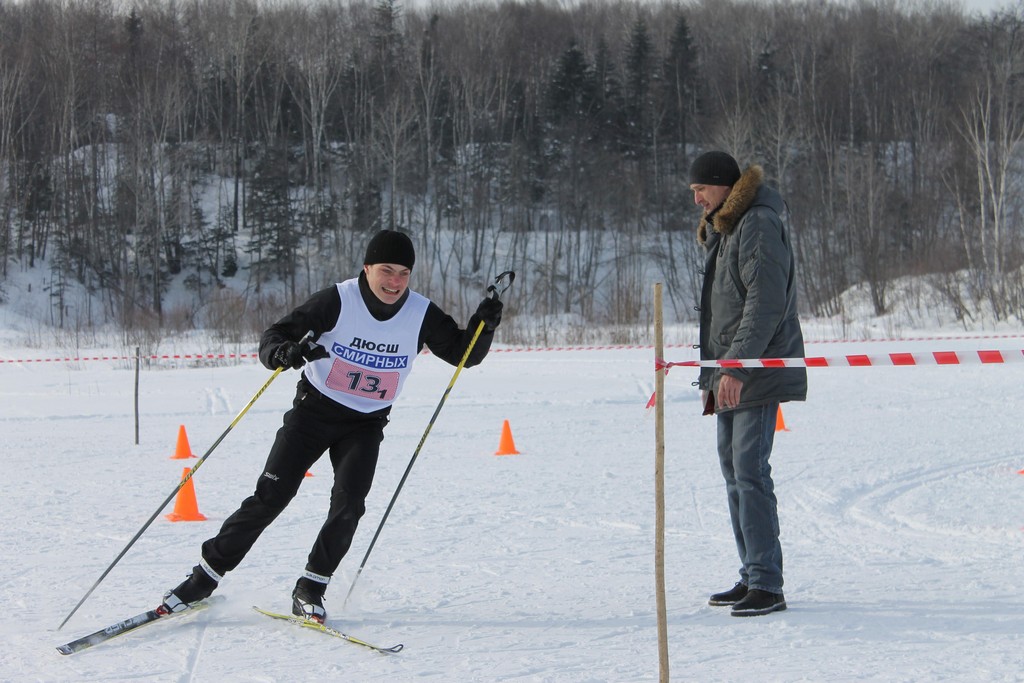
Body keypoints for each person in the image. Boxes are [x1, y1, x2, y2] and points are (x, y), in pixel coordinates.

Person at [161, 229, 504, 623]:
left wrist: (485, 324)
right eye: (386, 271)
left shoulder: (420, 313)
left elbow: (464, 355)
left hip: (366, 423)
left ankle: (311, 587)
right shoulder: (338, 300)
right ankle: (203, 579)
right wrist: (284, 353)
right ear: (367, 268)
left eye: (403, 274)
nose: (394, 283)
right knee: (271, 495)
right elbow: (274, 337)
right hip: (314, 412)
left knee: (349, 506)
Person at [689, 151, 807, 617]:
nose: (696, 198)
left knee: (750, 471)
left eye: (700, 189)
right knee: (733, 471)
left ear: (722, 186)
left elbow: (764, 303)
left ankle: (767, 584)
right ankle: (751, 573)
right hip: (729, 373)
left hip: (754, 372)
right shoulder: (729, 227)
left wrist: (736, 368)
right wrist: (711, 375)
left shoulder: (756, 223)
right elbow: (720, 315)